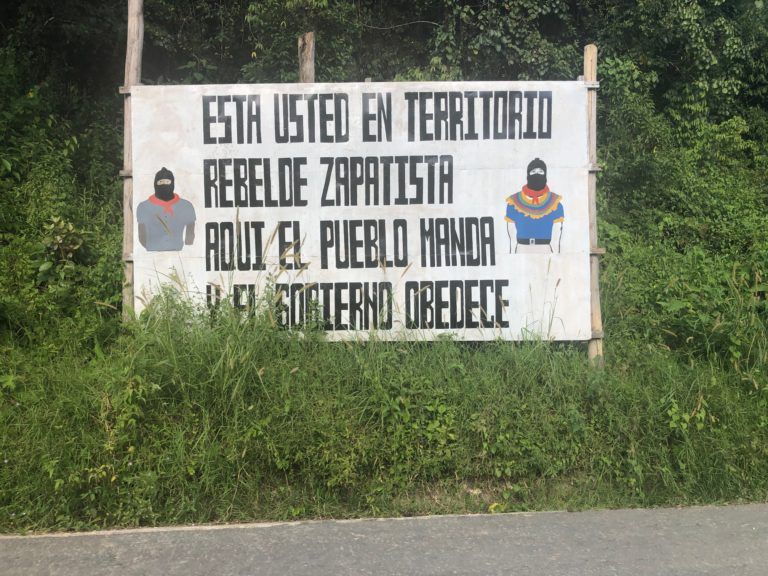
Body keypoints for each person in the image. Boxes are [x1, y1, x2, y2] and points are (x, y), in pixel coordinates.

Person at [505, 158, 564, 254]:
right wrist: (512, 257)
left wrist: (556, 258)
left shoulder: (555, 203)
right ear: (528, 175)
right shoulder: (513, 203)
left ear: (545, 175)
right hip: (522, 249)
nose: (537, 174)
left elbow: (556, 239)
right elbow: (512, 239)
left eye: (541, 171)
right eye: (533, 171)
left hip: (545, 250)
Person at [137, 167, 196, 252]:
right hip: (152, 253)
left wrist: (185, 251)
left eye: (167, 182)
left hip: (178, 252)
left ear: (172, 183)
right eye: (160, 182)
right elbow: (142, 236)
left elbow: (190, 236)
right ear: (155, 184)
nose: (164, 185)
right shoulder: (144, 207)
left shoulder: (186, 206)